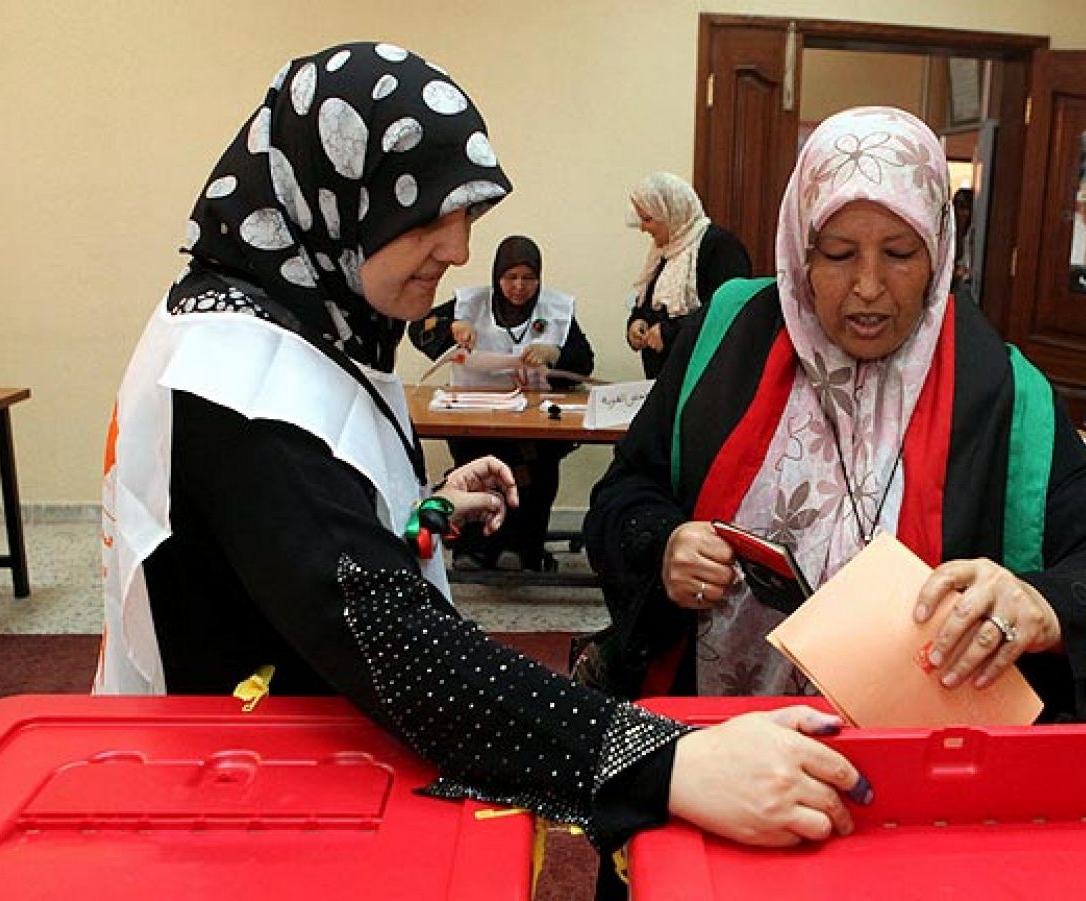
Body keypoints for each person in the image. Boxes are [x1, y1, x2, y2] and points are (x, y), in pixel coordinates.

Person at [95, 41, 870, 864]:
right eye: (428, 215)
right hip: (245, 799)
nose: (460, 249)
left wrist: (413, 509)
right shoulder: (233, 382)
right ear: (336, 198)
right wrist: (669, 759)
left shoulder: (263, 314)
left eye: (467, 215)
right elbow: (397, 646)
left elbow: (284, 546)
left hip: (276, 749)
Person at [583, 107, 1086, 719]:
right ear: (800, 253)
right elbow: (625, 493)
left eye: (899, 253)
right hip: (718, 740)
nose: (868, 285)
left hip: (913, 762)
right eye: (838, 254)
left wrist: (1040, 604)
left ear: (939, 254)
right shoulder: (726, 341)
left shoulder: (1002, 391)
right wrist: (665, 545)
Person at [408, 235, 594, 571]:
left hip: (530, 421)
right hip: (475, 415)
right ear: (497, 277)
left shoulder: (555, 309)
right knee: (475, 472)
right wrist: (453, 328)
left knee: (531, 476)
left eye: (528, 278)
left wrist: (555, 354)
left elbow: (583, 364)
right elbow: (418, 327)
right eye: (510, 278)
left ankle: (521, 549)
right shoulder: (470, 303)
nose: (519, 287)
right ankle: (471, 549)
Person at [624, 172, 752, 378]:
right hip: (663, 380)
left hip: (704, 380)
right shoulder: (663, 252)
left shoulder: (719, 247)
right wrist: (636, 324)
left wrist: (669, 333)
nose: (643, 228)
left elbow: (725, 314)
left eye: (648, 220)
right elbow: (648, 304)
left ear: (671, 213)